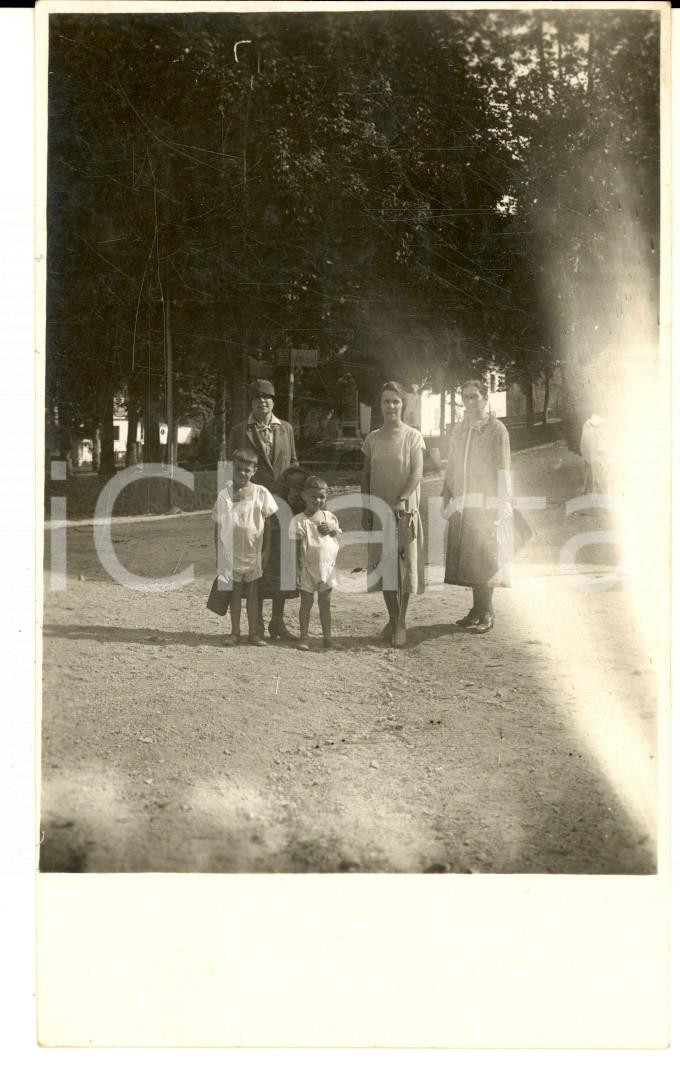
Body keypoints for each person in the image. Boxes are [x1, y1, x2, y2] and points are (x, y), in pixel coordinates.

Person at [228, 379, 298, 638]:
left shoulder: (286, 428)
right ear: (251, 402)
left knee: (281, 563)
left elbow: (293, 462)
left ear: (273, 400)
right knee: (255, 562)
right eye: (257, 397)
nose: (262, 401)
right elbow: (232, 467)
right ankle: (255, 622)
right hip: (252, 506)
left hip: (282, 505)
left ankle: (277, 621)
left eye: (267, 397)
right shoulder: (239, 430)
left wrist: (295, 490)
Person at [441, 379, 512, 634]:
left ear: (485, 398)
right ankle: (476, 609)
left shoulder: (496, 430)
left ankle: (487, 611)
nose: (470, 402)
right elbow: (452, 464)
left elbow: (503, 468)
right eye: (466, 397)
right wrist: (447, 493)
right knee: (470, 556)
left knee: (485, 556)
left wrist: (502, 503)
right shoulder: (460, 430)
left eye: (474, 396)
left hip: (487, 502)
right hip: (464, 501)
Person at [361, 381, 425, 648]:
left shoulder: (413, 437)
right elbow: (366, 476)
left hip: (404, 511)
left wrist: (402, 499)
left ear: (403, 404)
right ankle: (393, 618)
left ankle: (401, 623)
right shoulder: (372, 439)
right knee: (385, 567)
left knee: (403, 568)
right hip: (379, 510)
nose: (391, 406)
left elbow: (417, 472)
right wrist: (366, 507)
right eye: (386, 401)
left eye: (395, 401)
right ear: (380, 405)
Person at [211, 447, 278, 646]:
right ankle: (235, 632)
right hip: (231, 554)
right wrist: (219, 554)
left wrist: (266, 551)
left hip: (253, 553)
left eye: (247, 470)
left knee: (253, 596)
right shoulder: (224, 495)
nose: (242, 473)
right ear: (232, 468)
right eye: (238, 469)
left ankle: (254, 633)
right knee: (235, 594)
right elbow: (218, 526)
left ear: (254, 471)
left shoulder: (261, 493)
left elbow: (269, 525)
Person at [258, 464, 310, 638]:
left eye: (299, 487)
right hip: (269, 530)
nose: (294, 491)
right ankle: (257, 623)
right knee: (262, 576)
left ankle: (277, 621)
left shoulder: (303, 502)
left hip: (288, 536)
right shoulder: (276, 496)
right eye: (291, 487)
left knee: (282, 578)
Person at [292, 476, 342, 651]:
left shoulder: (330, 517)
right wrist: (297, 569)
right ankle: (304, 637)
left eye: (321, 497)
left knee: (325, 604)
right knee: (306, 604)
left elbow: (337, 535)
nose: (317, 500)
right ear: (304, 496)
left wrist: (332, 529)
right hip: (307, 568)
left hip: (327, 568)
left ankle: (327, 638)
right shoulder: (299, 520)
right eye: (313, 496)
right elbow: (295, 548)